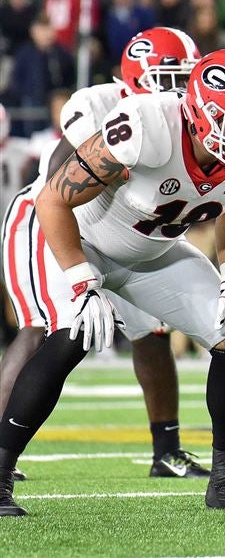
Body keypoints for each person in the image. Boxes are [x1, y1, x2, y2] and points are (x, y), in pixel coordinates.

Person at [0, 49, 225, 517]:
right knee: (71, 334)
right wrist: (79, 280)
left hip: (151, 252)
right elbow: (53, 200)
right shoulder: (146, 127)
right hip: (80, 238)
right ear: (199, 114)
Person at [0, 28, 210, 482]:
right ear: (137, 76)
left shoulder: (188, 118)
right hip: (53, 222)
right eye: (169, 76)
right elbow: (58, 182)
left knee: (152, 334)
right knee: (44, 329)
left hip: (130, 236)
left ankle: (167, 451)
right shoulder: (98, 104)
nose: (179, 88)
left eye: (186, 77)